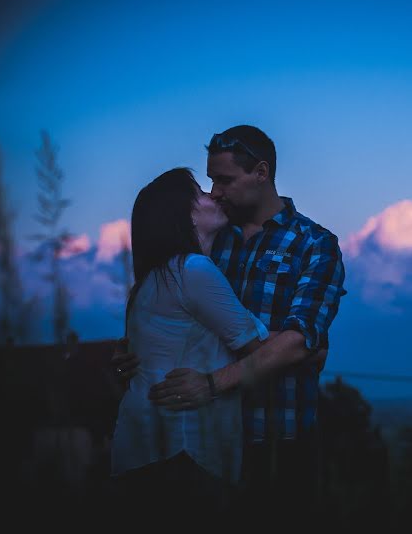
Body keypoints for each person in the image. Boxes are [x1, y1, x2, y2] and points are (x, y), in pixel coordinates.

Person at [112, 125, 346, 516]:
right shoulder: (205, 243)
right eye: (210, 182)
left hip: (278, 433)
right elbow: (297, 346)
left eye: (224, 179)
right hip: (209, 437)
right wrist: (132, 353)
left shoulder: (314, 244)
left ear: (261, 171)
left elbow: (299, 337)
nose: (216, 191)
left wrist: (213, 383)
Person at [108, 167, 270, 512]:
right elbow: (261, 351)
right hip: (184, 453)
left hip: (143, 450)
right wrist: (305, 343)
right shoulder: (192, 270)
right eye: (199, 192)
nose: (212, 195)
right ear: (181, 215)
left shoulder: (149, 283)